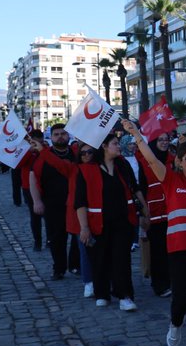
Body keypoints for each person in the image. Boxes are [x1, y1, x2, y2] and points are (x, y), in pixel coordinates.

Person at [125, 122, 186, 346]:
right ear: (179, 161)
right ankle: (175, 323)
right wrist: (137, 135)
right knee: (181, 298)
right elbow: (151, 160)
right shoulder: (170, 179)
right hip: (178, 249)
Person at [75, 133, 142, 311]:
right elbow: (80, 202)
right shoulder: (87, 169)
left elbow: (134, 188)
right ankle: (102, 293)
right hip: (98, 223)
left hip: (123, 221)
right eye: (115, 143)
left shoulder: (122, 165)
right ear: (104, 146)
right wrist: (84, 228)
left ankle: (124, 296)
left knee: (121, 259)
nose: (119, 146)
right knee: (99, 259)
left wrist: (145, 210)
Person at [31, 124, 80, 280]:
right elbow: (33, 177)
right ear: (51, 138)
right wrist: (36, 201)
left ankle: (75, 265)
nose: (60, 137)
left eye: (63, 134)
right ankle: (59, 268)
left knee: (78, 235)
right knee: (57, 237)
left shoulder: (75, 154)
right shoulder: (43, 156)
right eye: (56, 134)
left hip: (75, 202)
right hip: (52, 203)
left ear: (68, 136)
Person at [139, 131, 174, 298]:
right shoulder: (145, 161)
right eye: (160, 139)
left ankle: (171, 280)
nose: (164, 142)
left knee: (172, 249)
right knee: (158, 250)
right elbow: (141, 187)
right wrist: (144, 211)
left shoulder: (173, 159)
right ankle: (159, 284)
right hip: (154, 212)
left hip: (172, 210)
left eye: (166, 139)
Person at [70, 142, 98, 298]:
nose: (87, 155)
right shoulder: (74, 169)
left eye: (90, 152)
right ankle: (88, 282)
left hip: (99, 214)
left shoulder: (101, 167)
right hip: (80, 215)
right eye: (83, 153)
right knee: (85, 250)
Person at [20, 130, 45, 251]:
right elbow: (19, 165)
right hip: (28, 187)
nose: (39, 143)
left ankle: (51, 240)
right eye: (36, 141)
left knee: (49, 216)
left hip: (46, 186)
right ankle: (37, 241)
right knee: (35, 216)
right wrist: (30, 152)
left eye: (41, 141)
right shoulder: (25, 151)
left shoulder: (46, 149)